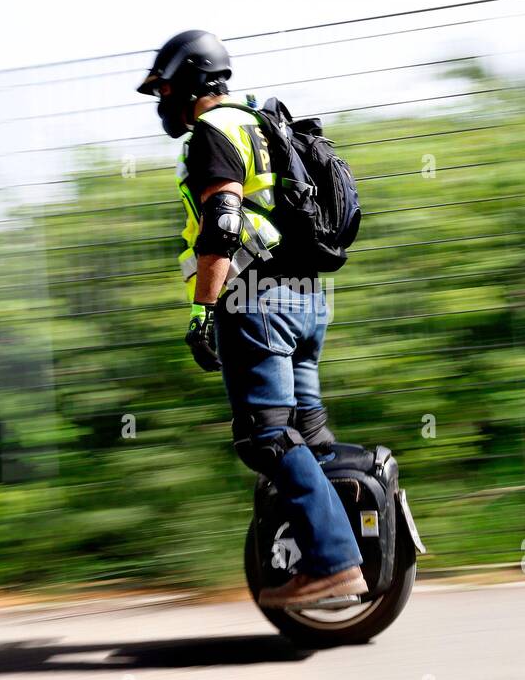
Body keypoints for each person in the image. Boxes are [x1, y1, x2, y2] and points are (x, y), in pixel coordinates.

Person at [137, 30, 366, 608]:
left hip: (256, 302)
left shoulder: (212, 134)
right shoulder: (264, 124)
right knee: (308, 438)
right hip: (309, 301)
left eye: (163, 87)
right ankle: (364, 538)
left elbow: (222, 225)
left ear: (187, 81)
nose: (161, 100)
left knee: (265, 438)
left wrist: (202, 311)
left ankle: (335, 564)